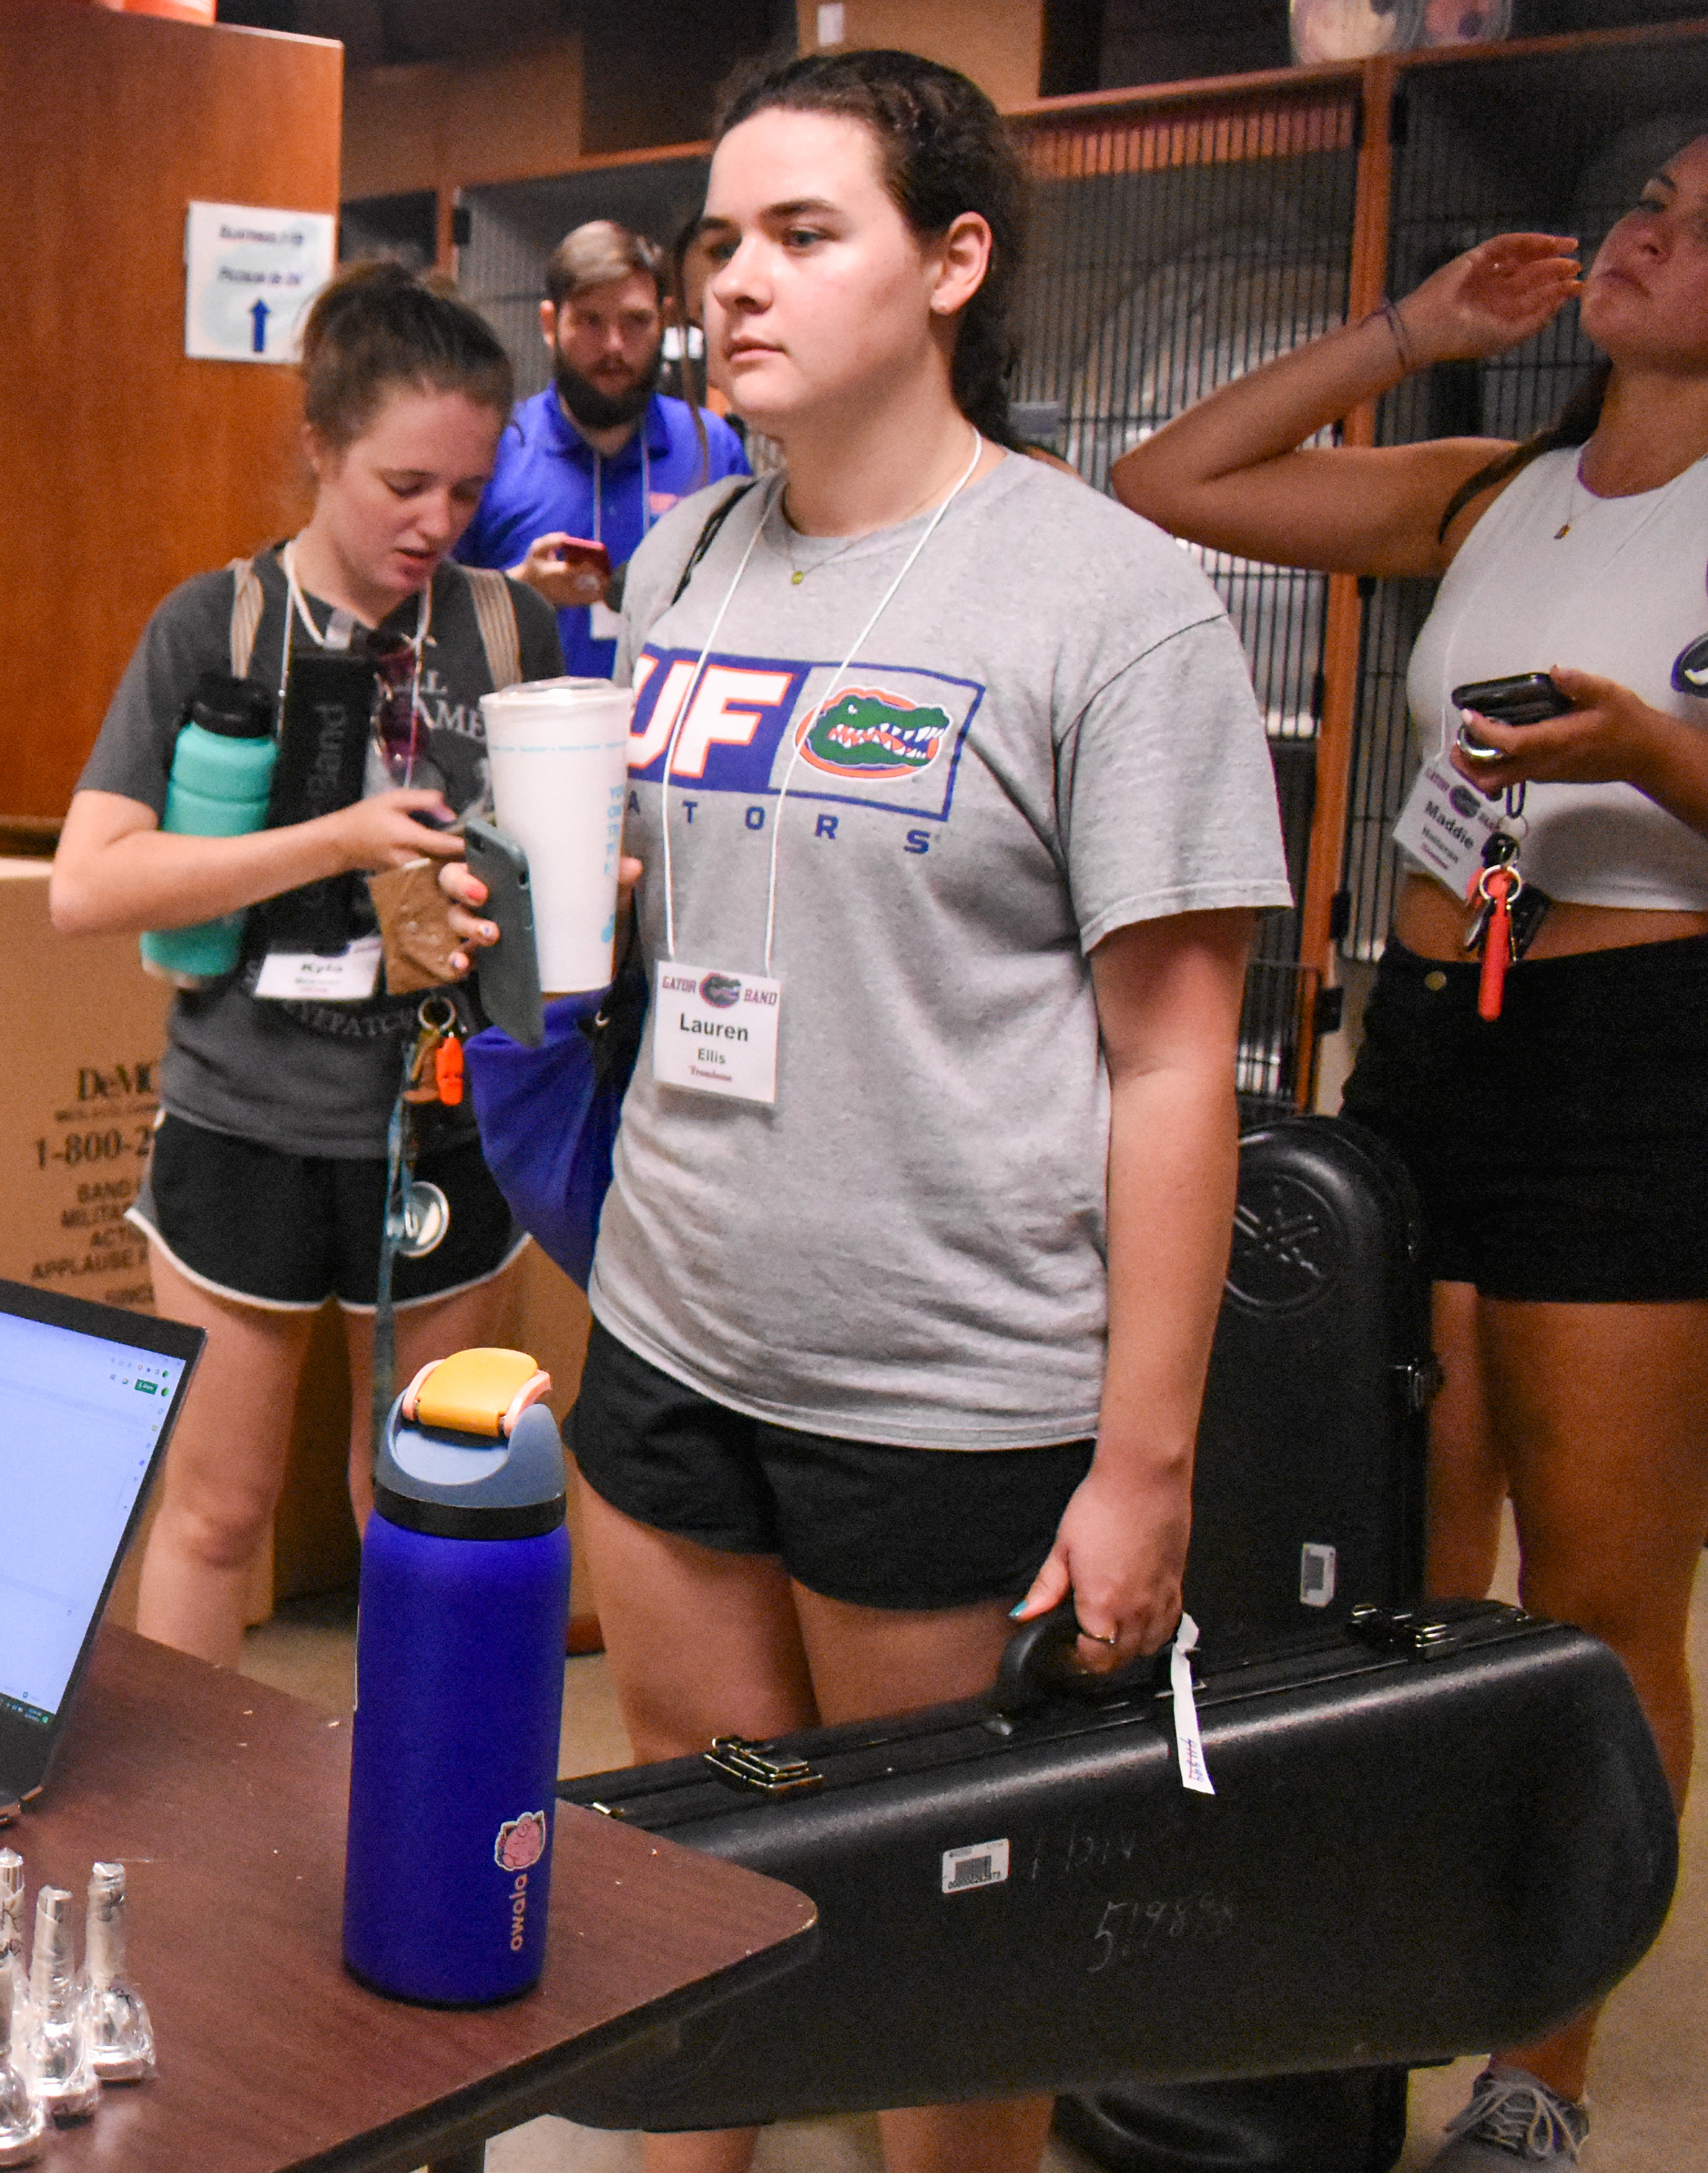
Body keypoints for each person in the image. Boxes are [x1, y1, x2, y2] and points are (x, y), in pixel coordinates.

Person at [574, 51, 1286, 2173]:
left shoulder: (1104, 597)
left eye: (806, 234)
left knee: (936, 1949)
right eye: (721, 240)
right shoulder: (684, 553)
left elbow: (1177, 1066)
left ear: (954, 261)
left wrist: (1143, 1467)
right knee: (698, 1884)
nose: (736, 285)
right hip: (677, 1317)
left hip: (944, 1378)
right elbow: (703, 895)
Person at [1107, 143, 1708, 2173]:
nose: (1642, 231)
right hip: (1428, 1035)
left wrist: (1651, 759)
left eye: (1706, 225)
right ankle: (1358, 1991)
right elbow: (1165, 487)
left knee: (1603, 1595)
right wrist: (1410, 334)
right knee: (1377, 1565)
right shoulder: (1484, 486)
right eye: (1647, 195)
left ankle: (1535, 2067)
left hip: (1643, 1060)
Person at [48, 260, 558, 1668]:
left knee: (425, 1507)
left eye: (465, 490)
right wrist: (330, 838)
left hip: (447, 1124)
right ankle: (198, 1856)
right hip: (249, 1118)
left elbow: (558, 870)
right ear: (322, 446)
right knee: (219, 1514)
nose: (435, 523)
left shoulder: (511, 631)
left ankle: (410, 1816)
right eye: (404, 484)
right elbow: (87, 886)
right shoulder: (213, 626)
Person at [462, 221, 751, 682]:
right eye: (591, 321)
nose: (614, 346)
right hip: (526, 740)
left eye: (636, 321)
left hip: (673, 738)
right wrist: (518, 593)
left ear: (666, 319)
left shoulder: (712, 446)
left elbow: (753, 601)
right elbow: (431, 614)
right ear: (549, 325)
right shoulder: (495, 446)